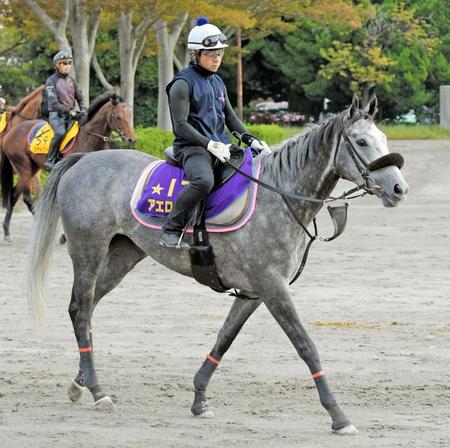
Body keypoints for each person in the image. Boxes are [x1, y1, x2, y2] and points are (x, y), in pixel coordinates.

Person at [159, 17, 270, 249]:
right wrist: (209, 144)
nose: (216, 58)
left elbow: (230, 117)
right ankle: (172, 228)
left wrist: (250, 139)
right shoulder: (181, 84)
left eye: (219, 53)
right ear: (195, 54)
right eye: (211, 54)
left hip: (223, 147)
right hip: (192, 148)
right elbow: (180, 126)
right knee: (203, 181)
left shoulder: (218, 82)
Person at [44, 50, 86, 171]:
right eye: (64, 63)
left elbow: (80, 97)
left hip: (70, 115)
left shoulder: (71, 81)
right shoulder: (51, 81)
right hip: (56, 116)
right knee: (60, 133)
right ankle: (50, 160)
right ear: (57, 65)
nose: (68, 66)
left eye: (69, 63)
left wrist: (83, 109)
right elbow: (53, 103)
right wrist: (69, 111)